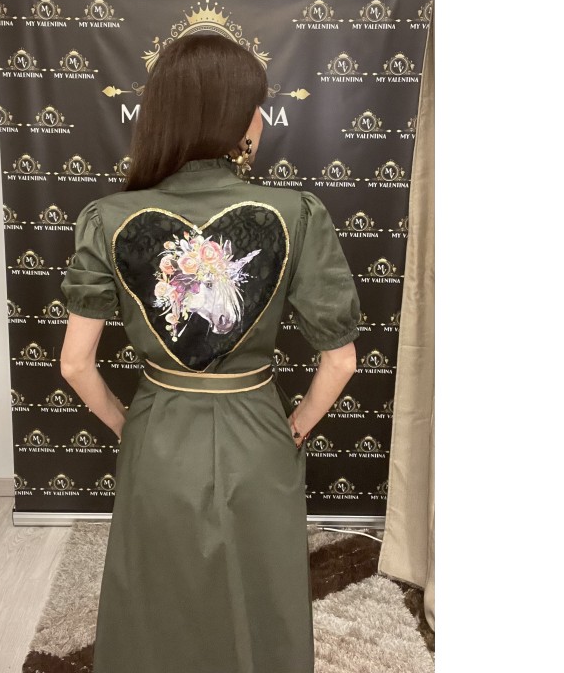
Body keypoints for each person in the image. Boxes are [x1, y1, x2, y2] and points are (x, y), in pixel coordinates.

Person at [59, 33, 360, 673]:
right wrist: (295, 427)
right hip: (259, 432)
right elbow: (340, 359)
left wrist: (129, 425)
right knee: (262, 594)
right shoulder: (296, 213)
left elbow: (75, 365)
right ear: (236, 118)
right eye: (257, 106)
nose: (262, 119)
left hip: (159, 431)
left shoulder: (108, 218)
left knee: (155, 598)